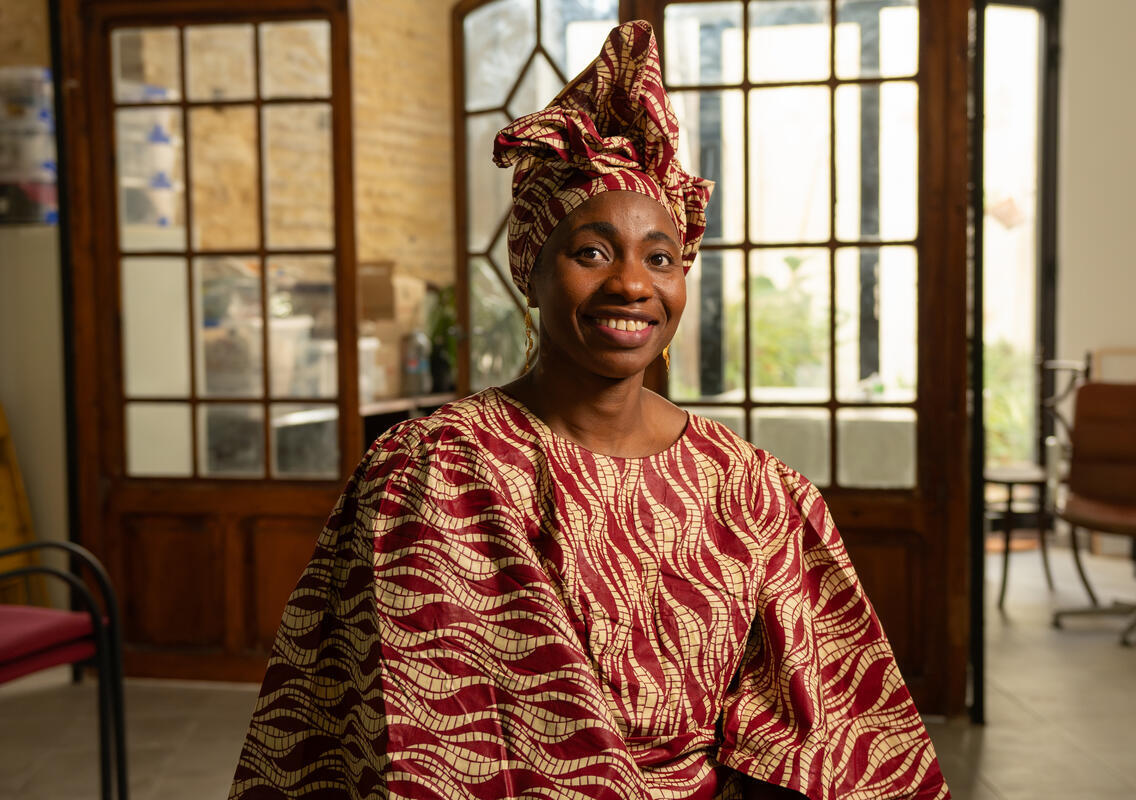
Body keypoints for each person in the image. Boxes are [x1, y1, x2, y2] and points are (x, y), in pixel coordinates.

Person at [229, 20, 949, 800]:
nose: (633, 285)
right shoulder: (435, 473)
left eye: (661, 258)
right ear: (530, 272)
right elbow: (434, 742)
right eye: (592, 251)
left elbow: (840, 734)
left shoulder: (752, 490)